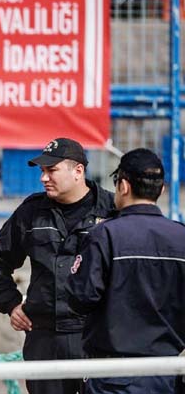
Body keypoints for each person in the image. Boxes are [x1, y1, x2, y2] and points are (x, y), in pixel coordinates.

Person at [0, 138, 115, 394]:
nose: (43, 178)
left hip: (96, 337)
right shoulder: (32, 211)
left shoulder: (111, 210)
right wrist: (10, 303)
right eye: (42, 171)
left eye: (51, 170)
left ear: (78, 171)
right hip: (45, 338)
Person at [67, 148, 185, 393]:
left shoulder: (104, 235)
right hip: (166, 373)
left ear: (123, 186)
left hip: (110, 375)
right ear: (161, 190)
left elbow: (80, 297)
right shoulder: (181, 236)